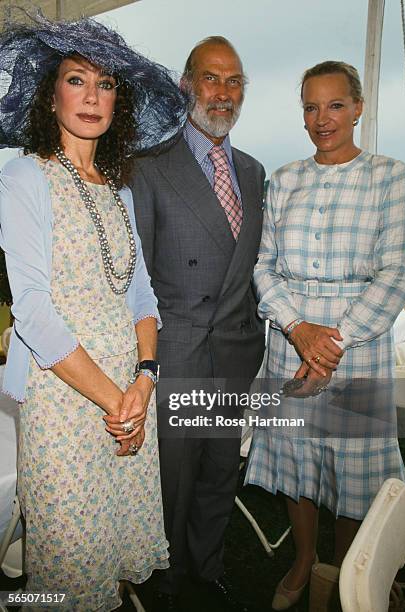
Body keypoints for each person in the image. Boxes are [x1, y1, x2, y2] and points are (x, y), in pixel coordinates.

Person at [0, 11, 186, 611]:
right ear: (50, 93)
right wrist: (115, 400)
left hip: (129, 394)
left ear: (118, 104)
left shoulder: (119, 188)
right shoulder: (23, 178)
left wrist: (145, 379)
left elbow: (143, 298)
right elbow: (30, 309)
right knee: (70, 567)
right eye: (77, 80)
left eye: (105, 85)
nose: (91, 97)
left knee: (114, 549)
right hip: (67, 397)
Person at [245, 60, 405, 611]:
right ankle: (302, 560)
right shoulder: (284, 179)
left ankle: (344, 569)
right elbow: (263, 267)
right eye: (311, 107)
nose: (322, 119)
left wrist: (330, 345)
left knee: (352, 467)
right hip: (288, 340)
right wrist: (298, 331)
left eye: (335, 105)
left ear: (358, 107)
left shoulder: (392, 176)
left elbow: (396, 273)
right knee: (296, 462)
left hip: (355, 350)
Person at [129, 36, 265, 611]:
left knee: (217, 475)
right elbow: (134, 281)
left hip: (235, 352)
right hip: (178, 354)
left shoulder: (256, 173)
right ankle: (165, 579)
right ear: (187, 84)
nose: (223, 92)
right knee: (172, 483)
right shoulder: (149, 168)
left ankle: (205, 571)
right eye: (211, 78)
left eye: (234, 81)